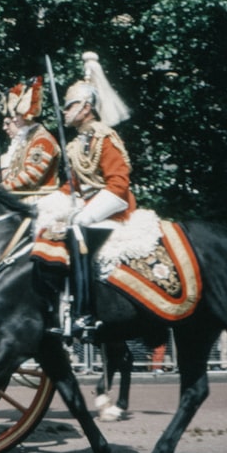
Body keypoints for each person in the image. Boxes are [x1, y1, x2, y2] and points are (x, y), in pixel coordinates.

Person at [35, 51, 133, 338]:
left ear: (87, 107)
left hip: (114, 209)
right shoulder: (78, 144)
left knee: (77, 229)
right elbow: (74, 187)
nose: (65, 111)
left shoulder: (104, 137)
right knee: (49, 229)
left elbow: (118, 184)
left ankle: (86, 312)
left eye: (70, 105)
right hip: (92, 205)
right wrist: (45, 205)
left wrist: (85, 213)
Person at [0, 76, 60, 194]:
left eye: (17, 115)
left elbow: (30, 178)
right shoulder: (28, 139)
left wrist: (1, 189)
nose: (14, 119)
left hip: (39, 197)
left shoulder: (42, 140)